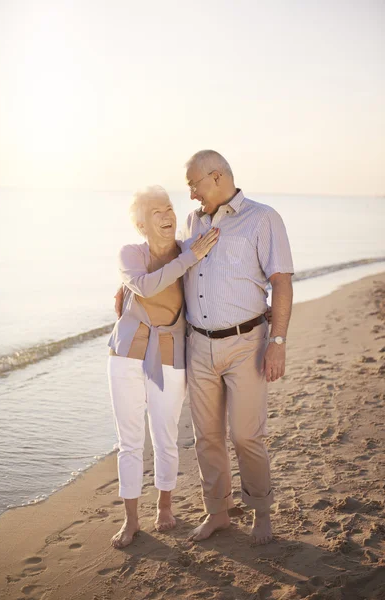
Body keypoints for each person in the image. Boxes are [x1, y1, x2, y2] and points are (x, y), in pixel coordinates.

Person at [115, 150, 293, 545]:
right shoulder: (195, 222)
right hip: (197, 344)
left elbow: (281, 281)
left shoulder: (263, 219)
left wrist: (277, 341)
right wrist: (128, 285)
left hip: (246, 343)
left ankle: (260, 513)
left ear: (216, 177)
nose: (191, 195)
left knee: (247, 435)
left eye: (194, 184)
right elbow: (169, 259)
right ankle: (218, 513)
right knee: (207, 437)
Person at [107, 185, 219, 549]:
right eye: (155, 211)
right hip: (126, 354)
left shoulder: (191, 249)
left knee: (165, 436)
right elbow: (144, 287)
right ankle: (131, 519)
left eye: (168, 207)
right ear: (142, 225)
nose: (166, 214)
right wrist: (188, 260)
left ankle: (165, 506)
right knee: (129, 441)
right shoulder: (131, 253)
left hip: (171, 352)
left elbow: (217, 282)